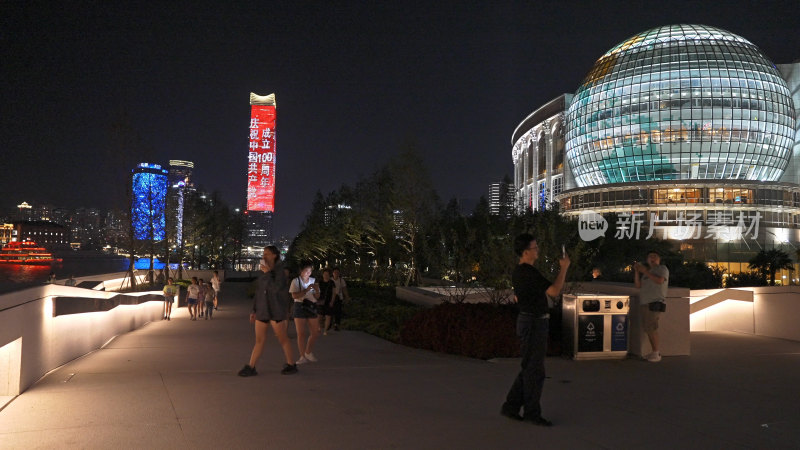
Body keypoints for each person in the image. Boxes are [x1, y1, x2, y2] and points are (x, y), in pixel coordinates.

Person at [501, 233, 569, 426]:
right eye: (535, 248)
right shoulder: (528, 272)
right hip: (533, 323)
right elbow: (554, 291)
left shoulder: (519, 272)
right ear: (525, 252)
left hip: (530, 321)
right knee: (534, 370)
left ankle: (511, 406)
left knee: (529, 368)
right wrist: (564, 269)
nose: (537, 250)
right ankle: (531, 412)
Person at [239, 246, 297, 376]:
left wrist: (268, 274)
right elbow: (259, 292)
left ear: (275, 255)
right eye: (263, 254)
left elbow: (276, 289)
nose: (264, 256)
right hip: (262, 310)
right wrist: (254, 310)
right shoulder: (264, 272)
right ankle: (251, 366)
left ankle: (291, 364)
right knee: (259, 340)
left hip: (275, 310)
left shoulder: (280, 272)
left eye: (267, 254)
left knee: (282, 338)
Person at [634, 250, 669, 363]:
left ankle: (656, 353)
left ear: (659, 259)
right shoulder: (647, 272)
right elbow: (638, 285)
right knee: (649, 328)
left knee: (652, 328)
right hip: (645, 303)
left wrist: (645, 271)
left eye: (655, 256)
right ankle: (654, 352)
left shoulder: (662, 269)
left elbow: (660, 281)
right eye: (650, 256)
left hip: (654, 303)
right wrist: (637, 272)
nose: (652, 258)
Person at [289, 262, 321, 364]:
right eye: (306, 271)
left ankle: (308, 352)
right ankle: (302, 356)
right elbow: (294, 296)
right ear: (301, 271)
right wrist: (306, 290)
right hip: (300, 306)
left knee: (315, 332)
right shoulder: (296, 281)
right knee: (301, 334)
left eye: (310, 271)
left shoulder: (313, 281)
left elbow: (317, 297)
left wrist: (316, 290)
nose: (308, 273)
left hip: (311, 306)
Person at [317, 269, 336, 334]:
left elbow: (334, 293)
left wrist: (332, 301)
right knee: (320, 316)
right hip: (321, 301)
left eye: (327, 275)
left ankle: (325, 330)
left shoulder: (332, 282)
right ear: (322, 275)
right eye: (324, 274)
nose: (326, 276)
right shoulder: (320, 282)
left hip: (329, 301)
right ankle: (319, 327)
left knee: (328, 316)